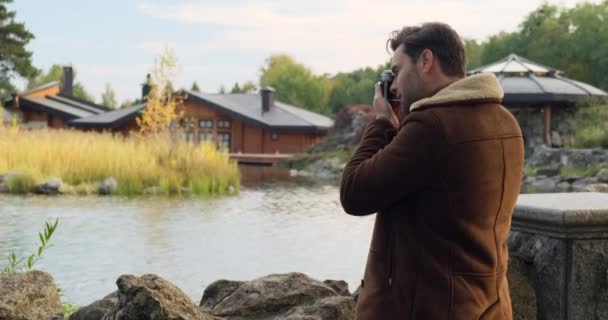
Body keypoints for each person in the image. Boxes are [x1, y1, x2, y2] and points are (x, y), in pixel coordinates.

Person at [340, 22, 524, 320]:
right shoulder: (506, 122)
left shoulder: (432, 126)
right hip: (487, 305)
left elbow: (354, 193)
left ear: (426, 61)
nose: (394, 85)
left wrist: (382, 123)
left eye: (396, 72)